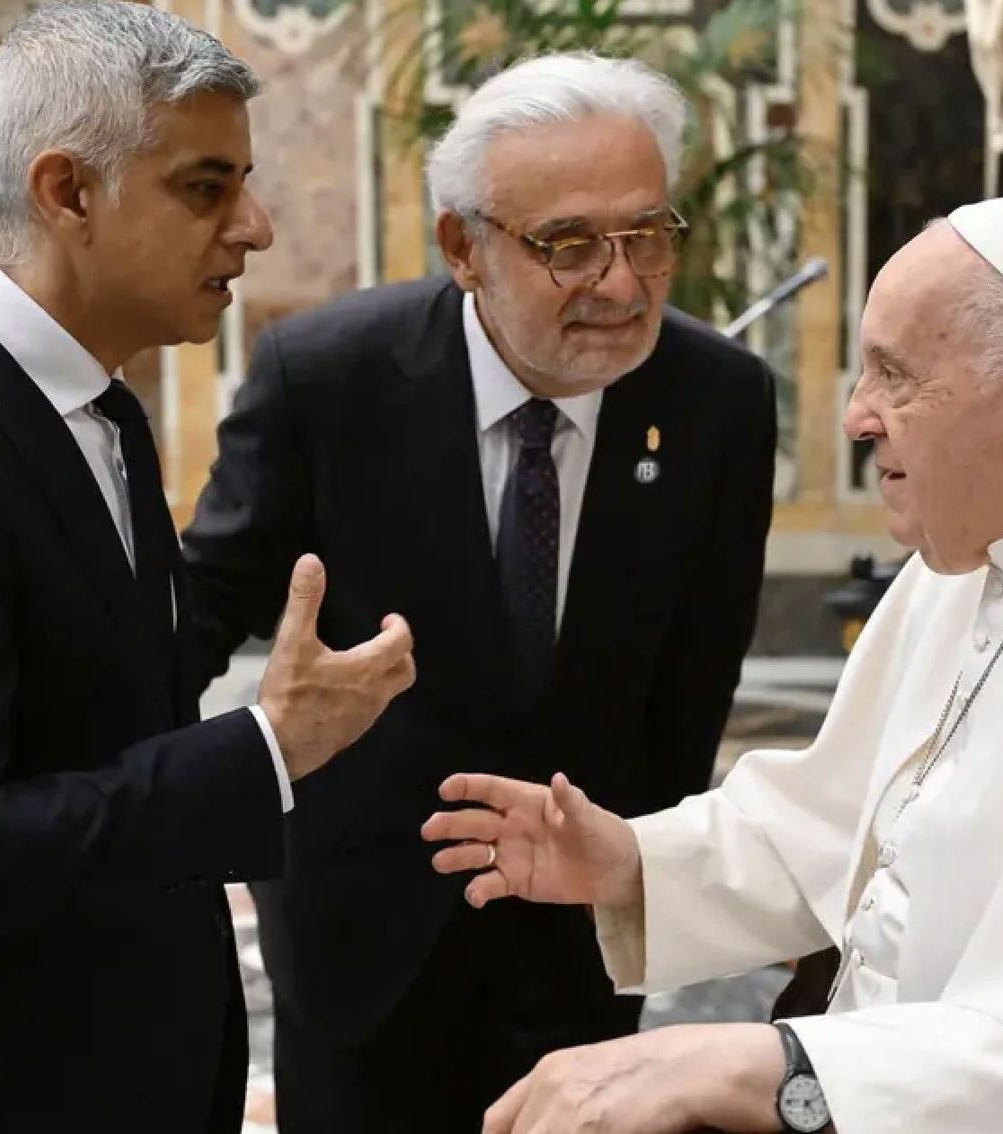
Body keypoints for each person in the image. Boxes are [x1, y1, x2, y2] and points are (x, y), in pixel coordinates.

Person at [424, 194, 1003, 1134]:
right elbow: (855, 824)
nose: (855, 416)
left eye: (893, 376)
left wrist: (780, 1069)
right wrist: (635, 861)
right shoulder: (984, 538)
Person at [0, 4, 415, 1132]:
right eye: (205, 187)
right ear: (67, 191)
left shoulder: (101, 411)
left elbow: (109, 711)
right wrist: (265, 748)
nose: (257, 227)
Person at [180, 51, 776, 1134]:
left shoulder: (717, 405)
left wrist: (637, 880)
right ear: (464, 246)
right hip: (363, 935)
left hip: (577, 934)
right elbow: (195, 617)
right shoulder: (326, 377)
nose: (622, 282)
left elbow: (694, 687)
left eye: (648, 235)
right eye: (568, 245)